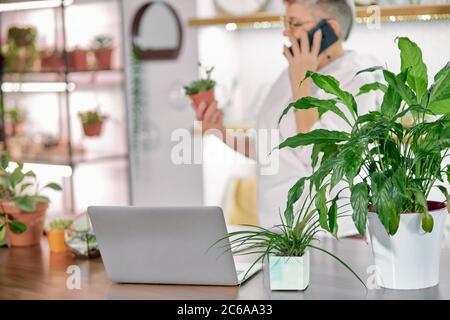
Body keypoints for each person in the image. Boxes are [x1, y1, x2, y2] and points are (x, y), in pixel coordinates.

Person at [194, 0, 382, 236]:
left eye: (295, 23)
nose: (286, 32)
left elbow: (318, 157)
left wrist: (301, 78)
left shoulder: (358, 78)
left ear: (329, 30)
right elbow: (269, 148)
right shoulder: (289, 75)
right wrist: (218, 131)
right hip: (279, 232)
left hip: (328, 235)